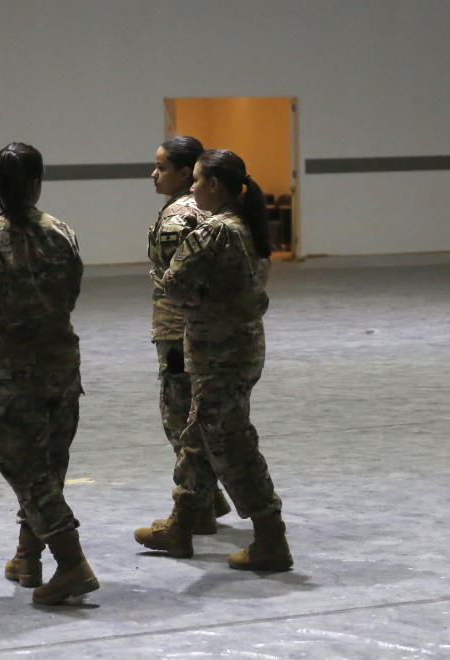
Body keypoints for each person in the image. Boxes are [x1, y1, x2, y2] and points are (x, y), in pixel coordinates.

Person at [135, 149, 292, 572]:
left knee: (232, 445)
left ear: (214, 186)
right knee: (197, 438)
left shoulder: (216, 232)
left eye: (198, 181)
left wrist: (182, 290)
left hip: (217, 352)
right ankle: (183, 524)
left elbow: (174, 281)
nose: (193, 189)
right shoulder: (247, 226)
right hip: (241, 348)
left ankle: (270, 537)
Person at [0, 141, 99, 605]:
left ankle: (72, 562)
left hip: (14, 372)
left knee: (25, 467)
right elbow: (71, 292)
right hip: (61, 365)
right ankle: (27, 555)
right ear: (38, 184)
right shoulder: (63, 233)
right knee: (49, 465)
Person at [147, 136, 232, 534]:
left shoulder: (178, 218)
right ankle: (208, 497)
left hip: (179, 330)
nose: (154, 174)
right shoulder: (201, 208)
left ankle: (194, 506)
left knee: (179, 418)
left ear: (185, 172)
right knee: (190, 418)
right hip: (193, 328)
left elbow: (181, 281)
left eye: (162, 167)